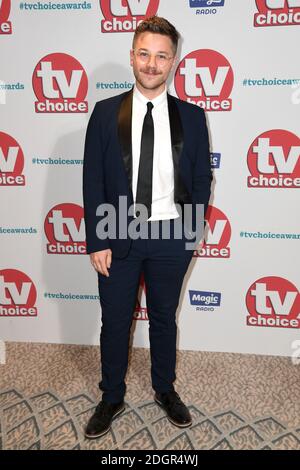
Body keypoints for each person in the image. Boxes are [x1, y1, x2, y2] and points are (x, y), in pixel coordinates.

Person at [82, 16, 212, 439]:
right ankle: (111, 395)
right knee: (115, 320)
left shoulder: (192, 117)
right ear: (132, 56)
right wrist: (97, 239)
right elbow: (93, 179)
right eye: (144, 54)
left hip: (172, 235)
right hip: (117, 229)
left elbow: (201, 180)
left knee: (163, 317)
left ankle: (164, 388)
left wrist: (190, 234)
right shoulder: (104, 114)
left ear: (173, 60)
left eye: (161, 55)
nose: (151, 64)